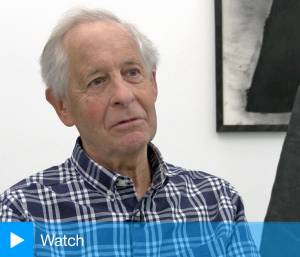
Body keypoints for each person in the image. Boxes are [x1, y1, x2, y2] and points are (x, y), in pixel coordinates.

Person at [0, 8, 259, 256]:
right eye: (97, 81)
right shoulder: (22, 212)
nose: (124, 95)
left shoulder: (218, 202)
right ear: (62, 105)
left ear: (153, 83)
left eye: (132, 73)